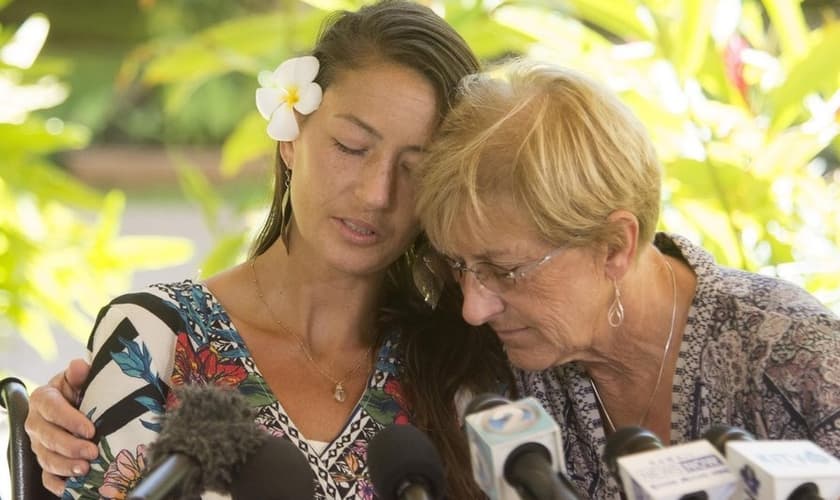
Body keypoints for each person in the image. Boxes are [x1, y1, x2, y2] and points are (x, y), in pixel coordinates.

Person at [24, 1, 511, 498]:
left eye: (416, 168)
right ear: (290, 136)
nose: (376, 194)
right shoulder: (151, 340)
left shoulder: (459, 372)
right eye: (350, 146)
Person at [413, 59, 840, 497]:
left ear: (615, 246)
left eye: (504, 271)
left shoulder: (801, 360)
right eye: (460, 265)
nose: (474, 309)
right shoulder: (497, 376)